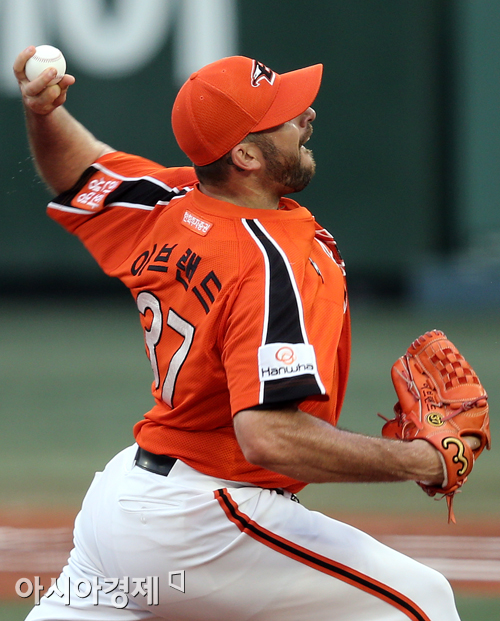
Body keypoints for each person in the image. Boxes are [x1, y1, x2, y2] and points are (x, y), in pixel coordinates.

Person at [14, 46, 462, 621]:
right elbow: (267, 436)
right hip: (204, 522)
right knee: (423, 602)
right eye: (285, 116)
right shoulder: (269, 263)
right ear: (246, 155)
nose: (307, 116)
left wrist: (43, 115)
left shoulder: (165, 201)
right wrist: (420, 460)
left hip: (122, 509)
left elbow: (76, 172)